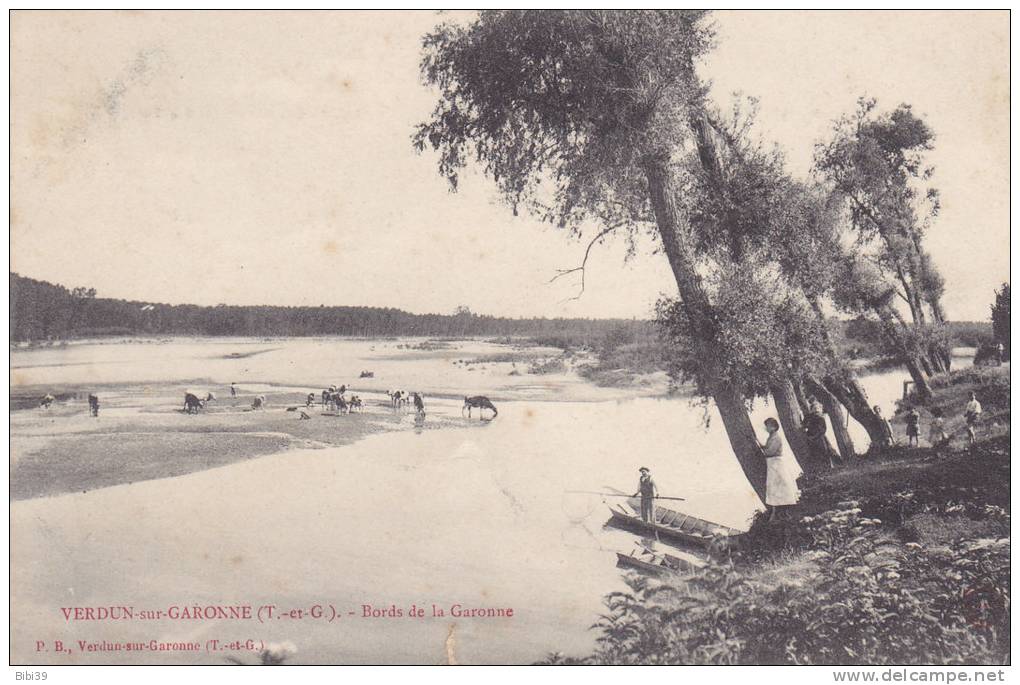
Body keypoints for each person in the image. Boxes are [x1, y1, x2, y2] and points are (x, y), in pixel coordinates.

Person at [761, 418, 799, 521]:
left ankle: (784, 511)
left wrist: (762, 451)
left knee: (782, 485)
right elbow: (768, 449)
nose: (766, 428)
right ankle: (776, 511)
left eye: (768, 425)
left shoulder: (776, 437)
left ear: (773, 426)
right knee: (773, 487)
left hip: (777, 463)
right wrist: (762, 446)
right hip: (772, 464)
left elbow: (770, 451)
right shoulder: (771, 436)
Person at [802, 400, 839, 467]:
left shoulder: (821, 418)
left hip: (819, 437)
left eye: (818, 408)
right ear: (811, 410)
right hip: (811, 437)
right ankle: (823, 467)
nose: (816, 410)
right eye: (814, 408)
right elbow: (804, 425)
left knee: (825, 451)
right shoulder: (809, 417)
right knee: (815, 454)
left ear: (820, 410)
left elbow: (823, 430)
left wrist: (814, 437)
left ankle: (830, 466)